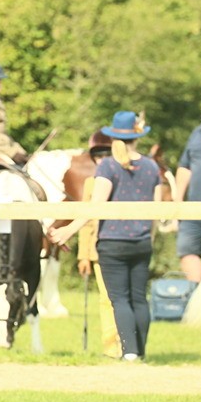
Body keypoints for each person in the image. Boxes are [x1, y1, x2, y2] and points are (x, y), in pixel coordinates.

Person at [50, 111, 163, 361]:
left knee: (119, 299)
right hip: (142, 241)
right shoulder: (151, 166)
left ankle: (130, 352)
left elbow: (95, 207)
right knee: (139, 298)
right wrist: (150, 238)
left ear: (113, 138)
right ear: (137, 137)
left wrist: (68, 230)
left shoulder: (108, 167)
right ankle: (140, 352)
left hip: (113, 242)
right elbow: (156, 211)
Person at [75, 130, 120, 358]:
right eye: (98, 157)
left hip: (119, 241)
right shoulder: (91, 183)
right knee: (105, 298)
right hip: (97, 246)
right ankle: (110, 345)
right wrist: (83, 254)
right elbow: (87, 222)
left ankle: (126, 342)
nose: (102, 161)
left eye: (106, 155)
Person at [175, 92, 201, 284]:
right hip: (194, 209)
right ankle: (197, 295)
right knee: (187, 251)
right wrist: (177, 205)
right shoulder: (196, 135)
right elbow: (185, 168)